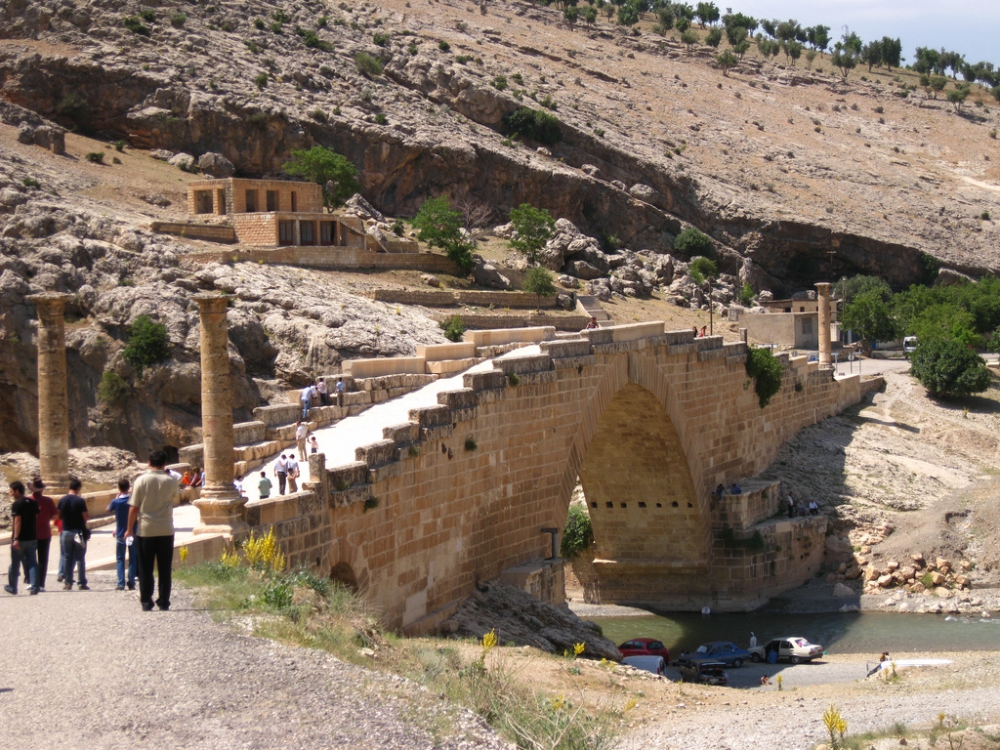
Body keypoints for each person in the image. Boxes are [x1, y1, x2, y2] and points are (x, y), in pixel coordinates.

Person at [126, 449, 179, 612]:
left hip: (146, 530)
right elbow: (175, 499)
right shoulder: (171, 481)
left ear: (149, 462)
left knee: (145, 568)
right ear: (165, 464)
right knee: (164, 568)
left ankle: (146, 601)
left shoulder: (140, 481)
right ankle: (164, 601)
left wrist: (129, 529)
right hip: (165, 529)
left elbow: (134, 507)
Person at [5, 481, 39, 595]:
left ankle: (12, 587)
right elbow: (36, 517)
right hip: (32, 537)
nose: (11, 493)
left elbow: (17, 521)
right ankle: (34, 586)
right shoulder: (33, 503)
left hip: (20, 539)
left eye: (11, 491)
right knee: (32, 562)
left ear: (17, 491)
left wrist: (15, 538)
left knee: (15, 564)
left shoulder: (17, 504)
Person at [57, 478, 89, 591]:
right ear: (78, 488)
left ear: (69, 487)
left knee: (67, 557)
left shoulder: (62, 500)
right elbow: (86, 517)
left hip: (66, 531)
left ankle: (68, 582)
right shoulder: (80, 501)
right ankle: (81, 583)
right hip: (78, 532)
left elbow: (58, 516)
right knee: (80, 558)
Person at [107, 478, 137, 591]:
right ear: (129, 488)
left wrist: (116, 498)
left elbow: (108, 510)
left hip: (120, 532)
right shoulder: (132, 500)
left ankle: (120, 583)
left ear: (119, 488)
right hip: (132, 532)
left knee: (120, 558)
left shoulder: (116, 502)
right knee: (133, 558)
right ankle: (131, 582)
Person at [30, 478, 56, 591]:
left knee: (31, 559)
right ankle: (41, 584)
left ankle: (32, 581)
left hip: (30, 533)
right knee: (43, 559)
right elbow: (55, 516)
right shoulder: (48, 501)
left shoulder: (28, 501)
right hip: (45, 533)